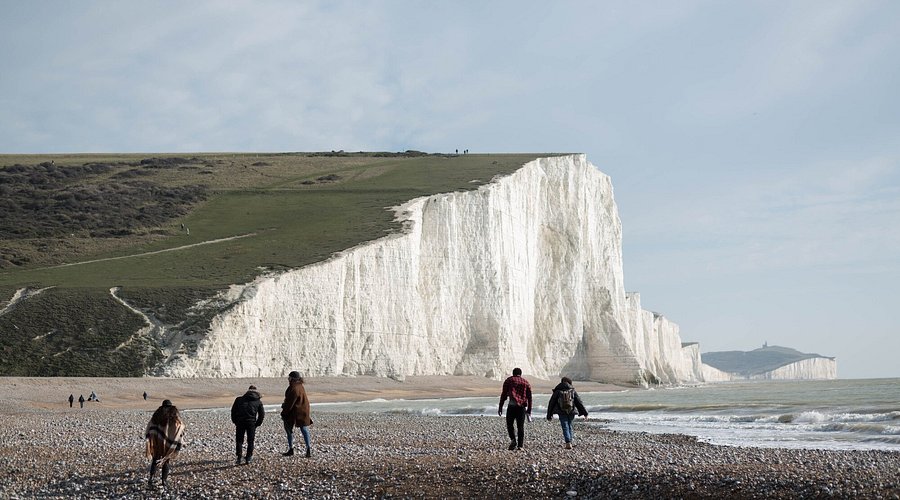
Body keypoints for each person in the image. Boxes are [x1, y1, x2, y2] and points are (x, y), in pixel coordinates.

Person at [145, 399, 184, 489]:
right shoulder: (173, 415)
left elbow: (150, 427)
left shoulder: (157, 415)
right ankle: (163, 481)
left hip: (157, 441)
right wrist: (178, 441)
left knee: (155, 459)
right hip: (167, 443)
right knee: (166, 460)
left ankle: (151, 479)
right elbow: (179, 427)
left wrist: (149, 437)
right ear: (171, 406)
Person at [546, 376, 588, 449]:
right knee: (570, 425)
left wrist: (549, 415)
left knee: (565, 426)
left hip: (561, 411)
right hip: (571, 411)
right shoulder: (572, 390)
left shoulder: (557, 391)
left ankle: (568, 442)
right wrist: (585, 413)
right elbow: (579, 402)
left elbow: (551, 403)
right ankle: (570, 441)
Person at [498, 367, 532, 450]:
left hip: (512, 406)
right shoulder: (526, 382)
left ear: (513, 373)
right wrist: (529, 409)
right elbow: (529, 397)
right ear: (520, 374)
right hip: (521, 407)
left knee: (510, 425)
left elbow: (504, 395)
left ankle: (513, 439)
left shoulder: (509, 381)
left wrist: (500, 407)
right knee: (520, 426)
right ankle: (520, 446)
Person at [280, 371, 313, 458]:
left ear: (292, 379)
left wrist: (284, 412)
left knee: (289, 430)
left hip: (296, 412)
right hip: (303, 410)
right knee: (304, 429)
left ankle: (291, 449)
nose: (288, 379)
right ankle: (308, 449)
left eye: (289, 378)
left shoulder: (294, 388)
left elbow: (290, 403)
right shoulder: (300, 386)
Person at [231, 385, 265, 465]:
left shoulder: (239, 399)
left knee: (239, 440)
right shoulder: (258, 402)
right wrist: (257, 423)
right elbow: (262, 414)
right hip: (251, 422)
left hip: (240, 421)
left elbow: (233, 411)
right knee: (250, 440)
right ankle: (248, 458)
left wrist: (235, 421)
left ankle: (239, 457)